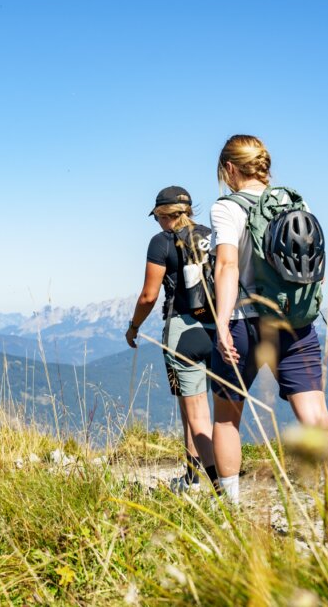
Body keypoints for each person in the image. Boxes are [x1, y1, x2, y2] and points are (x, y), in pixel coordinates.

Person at [210, 135, 328, 531]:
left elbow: (226, 267)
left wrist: (222, 322)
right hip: (296, 322)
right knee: (317, 416)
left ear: (229, 170)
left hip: (244, 322)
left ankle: (231, 512)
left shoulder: (226, 208)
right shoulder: (297, 204)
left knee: (226, 419)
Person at [126, 186, 219, 493]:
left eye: (158, 218)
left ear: (166, 215)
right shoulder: (212, 236)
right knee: (205, 405)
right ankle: (193, 477)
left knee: (193, 411)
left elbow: (148, 295)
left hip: (181, 330)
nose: (158, 224)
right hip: (218, 328)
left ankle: (219, 489)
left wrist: (134, 327)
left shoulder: (162, 241)